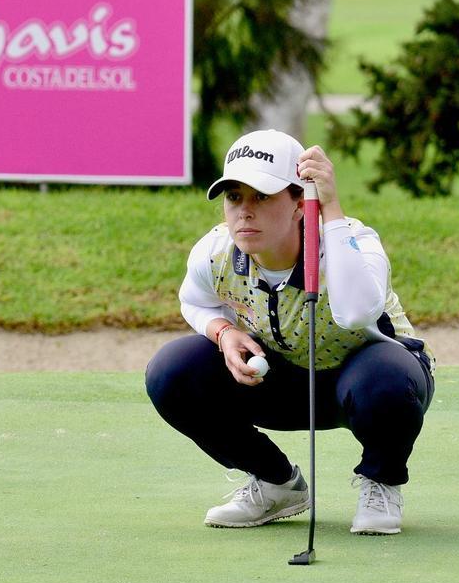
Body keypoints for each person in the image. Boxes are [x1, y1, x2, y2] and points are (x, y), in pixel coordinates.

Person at [144, 129, 435, 535]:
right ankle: (276, 484)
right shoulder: (215, 253)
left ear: (300, 203)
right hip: (282, 382)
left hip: (368, 385)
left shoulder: (352, 241)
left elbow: (356, 313)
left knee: (385, 377)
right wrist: (223, 332)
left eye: (262, 197)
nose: (245, 212)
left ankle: (382, 481)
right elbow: (193, 301)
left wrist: (330, 206)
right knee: (172, 371)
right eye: (234, 197)